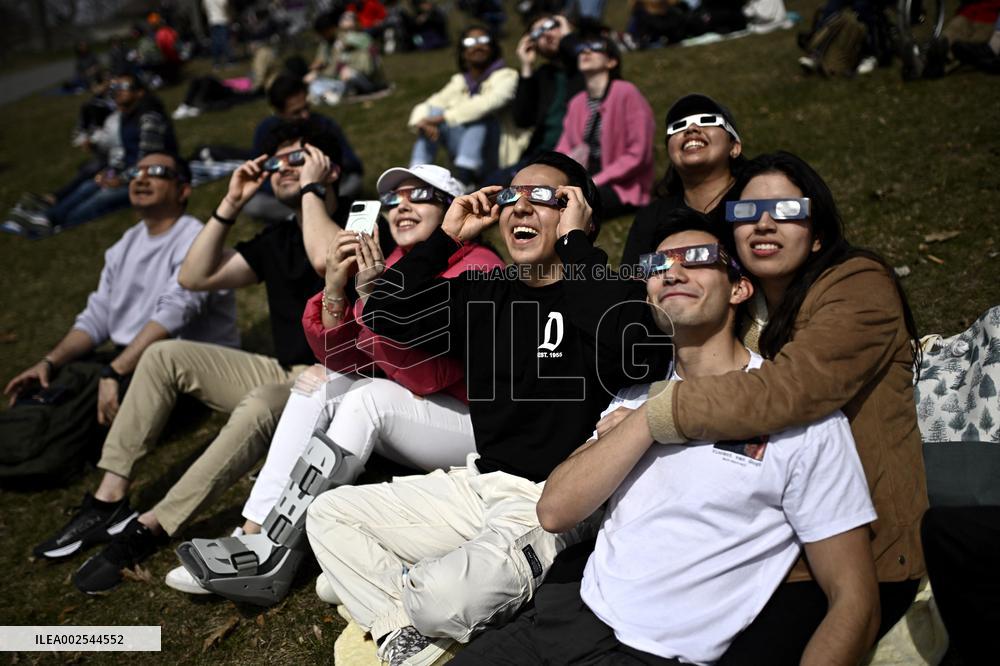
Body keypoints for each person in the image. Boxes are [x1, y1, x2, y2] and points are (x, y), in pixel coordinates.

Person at [455, 210, 880, 665]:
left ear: (740, 287)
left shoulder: (799, 415)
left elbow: (854, 600)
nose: (672, 272)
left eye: (697, 258)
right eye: (656, 266)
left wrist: (652, 417)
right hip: (559, 620)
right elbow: (555, 510)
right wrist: (648, 418)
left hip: (650, 655)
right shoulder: (633, 395)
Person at [306, 152, 665, 666]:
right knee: (328, 513)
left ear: (577, 214)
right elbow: (385, 310)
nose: (520, 208)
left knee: (438, 598)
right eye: (510, 197)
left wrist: (576, 247)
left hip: (552, 502)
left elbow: (641, 346)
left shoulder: (608, 290)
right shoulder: (485, 292)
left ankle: (395, 590)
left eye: (544, 198)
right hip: (479, 484)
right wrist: (446, 237)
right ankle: (400, 633)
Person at [609, 151, 927, 662]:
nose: (763, 221)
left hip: (852, 553)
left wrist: (654, 413)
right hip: (757, 544)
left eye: (787, 209)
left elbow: (793, 390)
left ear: (817, 231)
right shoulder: (748, 311)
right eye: (744, 212)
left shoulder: (857, 283)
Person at [30, 119, 362, 595]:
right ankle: (109, 497)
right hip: (283, 368)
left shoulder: (360, 218)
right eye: (275, 163)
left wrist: (313, 188)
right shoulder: (277, 236)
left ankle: (151, 526)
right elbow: (193, 276)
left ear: (327, 168)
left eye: (297, 158)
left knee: (263, 403)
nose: (282, 170)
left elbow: (323, 260)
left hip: (335, 375)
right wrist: (231, 202)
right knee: (165, 355)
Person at [166, 164, 504, 603]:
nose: (401, 206)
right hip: (424, 410)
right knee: (322, 384)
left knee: (370, 399)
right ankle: (253, 530)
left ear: (452, 210)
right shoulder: (394, 262)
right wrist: (334, 288)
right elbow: (341, 357)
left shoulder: (477, 267)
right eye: (392, 200)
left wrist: (370, 297)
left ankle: (274, 555)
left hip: (480, 428)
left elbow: (429, 375)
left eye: (418, 196)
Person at [2, 153, 238, 475]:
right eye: (135, 172)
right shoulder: (125, 244)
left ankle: (44, 452)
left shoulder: (196, 240)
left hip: (183, 366)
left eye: (156, 172)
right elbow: (97, 317)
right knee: (52, 384)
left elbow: (176, 312)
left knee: (81, 410)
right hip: (128, 357)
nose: (141, 178)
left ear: (183, 190)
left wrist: (114, 372)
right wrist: (49, 361)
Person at [13, 71, 177, 235]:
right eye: (114, 86)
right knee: (89, 185)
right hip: (132, 174)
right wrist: (111, 173)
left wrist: (120, 179)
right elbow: (127, 156)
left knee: (103, 196)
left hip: (154, 179)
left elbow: (149, 163)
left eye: (124, 87)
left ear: (140, 92)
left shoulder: (149, 119)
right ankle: (48, 217)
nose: (116, 90)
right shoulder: (127, 116)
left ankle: (60, 223)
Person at [620, 93, 744, 268]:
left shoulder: (755, 200)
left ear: (735, 147)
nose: (691, 129)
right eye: (678, 127)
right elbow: (631, 284)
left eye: (707, 120)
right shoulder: (651, 218)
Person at [409, 25, 527, 188]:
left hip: (496, 157)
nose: (477, 46)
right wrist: (422, 122)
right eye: (470, 42)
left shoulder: (507, 76)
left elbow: (489, 103)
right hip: (463, 148)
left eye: (483, 40)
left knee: (480, 117)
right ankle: (415, 178)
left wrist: (443, 118)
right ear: (463, 52)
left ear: (492, 48)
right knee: (431, 114)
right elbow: (428, 105)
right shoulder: (459, 81)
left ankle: (463, 179)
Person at [555, 34, 654, 220]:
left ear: (611, 61)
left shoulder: (626, 93)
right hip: (584, 178)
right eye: (582, 48)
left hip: (621, 186)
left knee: (571, 206)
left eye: (596, 47)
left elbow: (638, 153)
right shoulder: (577, 102)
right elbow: (563, 148)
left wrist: (596, 181)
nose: (586, 51)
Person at [243, 71, 365, 222]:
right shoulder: (266, 131)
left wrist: (321, 172)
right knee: (254, 205)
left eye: (306, 107)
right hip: (286, 192)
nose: (305, 115)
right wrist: (292, 184)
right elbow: (259, 175)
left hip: (324, 186)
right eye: (296, 112)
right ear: (278, 112)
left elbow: (352, 163)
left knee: (353, 183)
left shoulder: (323, 124)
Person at [487, 13, 582, 185]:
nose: (545, 34)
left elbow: (582, 63)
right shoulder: (543, 75)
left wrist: (569, 40)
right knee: (490, 187)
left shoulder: (590, 64)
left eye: (552, 26)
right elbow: (523, 119)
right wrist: (527, 67)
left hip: (577, 152)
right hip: (542, 153)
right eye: (537, 34)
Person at [307, 10, 388, 106]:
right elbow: (320, 60)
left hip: (360, 77)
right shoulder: (325, 44)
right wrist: (315, 69)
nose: (322, 36)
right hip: (337, 81)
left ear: (331, 28)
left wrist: (349, 47)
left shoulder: (349, 37)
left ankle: (328, 96)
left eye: (323, 32)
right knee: (313, 87)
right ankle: (326, 96)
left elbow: (369, 47)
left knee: (347, 73)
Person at [204, 0, 232, 68]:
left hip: (212, 21)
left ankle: (216, 63)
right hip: (221, 20)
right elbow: (225, 6)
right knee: (224, 41)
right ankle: (228, 61)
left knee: (215, 43)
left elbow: (205, 8)